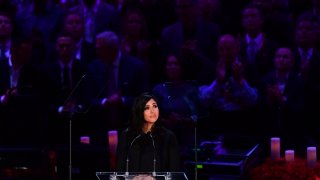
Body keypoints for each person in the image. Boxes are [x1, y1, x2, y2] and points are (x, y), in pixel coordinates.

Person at [116, 92, 181, 173]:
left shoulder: (168, 136)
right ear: (139, 111)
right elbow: (120, 170)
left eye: (155, 106)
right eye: (147, 108)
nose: (152, 111)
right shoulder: (127, 135)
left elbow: (175, 172)